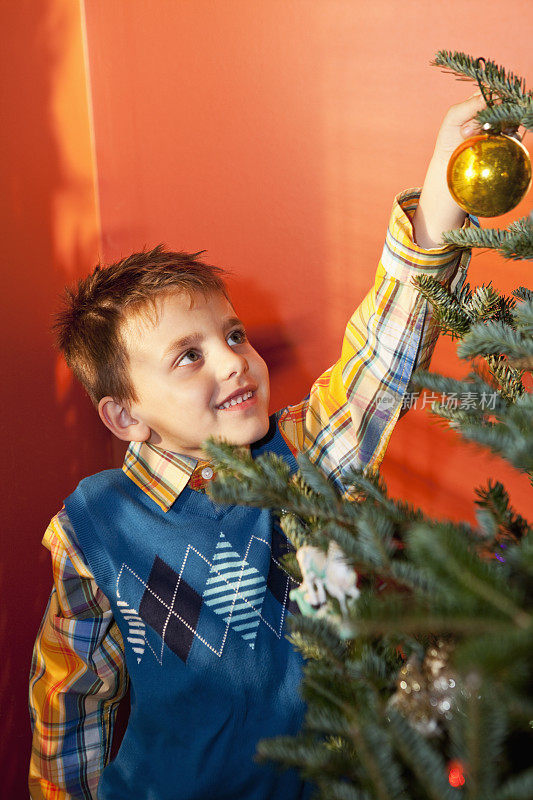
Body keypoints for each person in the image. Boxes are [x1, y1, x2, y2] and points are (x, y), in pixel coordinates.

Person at [29, 94, 485, 800]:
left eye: (233, 335)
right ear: (124, 417)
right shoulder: (94, 526)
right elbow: (74, 703)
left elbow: (379, 367)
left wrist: (435, 207)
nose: (233, 360)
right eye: (189, 356)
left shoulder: (303, 453)